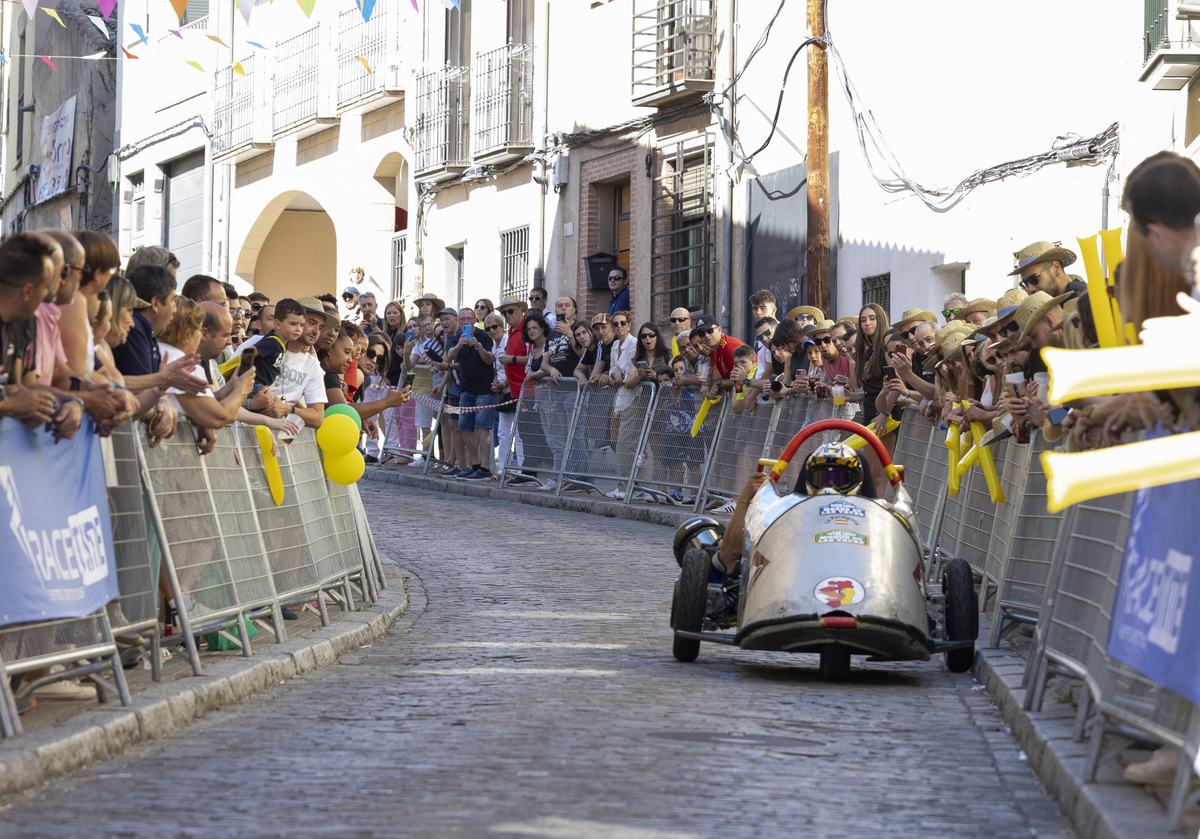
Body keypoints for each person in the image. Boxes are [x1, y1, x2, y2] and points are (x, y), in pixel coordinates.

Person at [712, 442, 866, 579]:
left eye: (839, 479)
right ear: (810, 480)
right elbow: (727, 558)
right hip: (793, 590)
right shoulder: (789, 511)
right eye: (822, 478)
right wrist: (745, 499)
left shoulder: (871, 520)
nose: (830, 486)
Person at [446, 306, 497, 481]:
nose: (466, 322)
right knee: (465, 427)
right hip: (465, 389)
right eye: (463, 319)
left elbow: (490, 359)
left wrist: (478, 346)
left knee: (482, 428)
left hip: (484, 389)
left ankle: (485, 467)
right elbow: (450, 357)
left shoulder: (483, 336)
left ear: (475, 320)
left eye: (469, 318)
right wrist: (460, 345)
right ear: (459, 322)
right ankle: (473, 465)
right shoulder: (456, 338)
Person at [853, 303, 893, 497]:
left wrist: (885, 413)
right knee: (870, 474)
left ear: (880, 319)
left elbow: (895, 382)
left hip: (886, 416)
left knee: (880, 475)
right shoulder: (866, 352)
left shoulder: (886, 348)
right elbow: (860, 385)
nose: (867, 323)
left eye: (871, 318)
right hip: (869, 414)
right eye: (863, 320)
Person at [1009, 241, 1087, 298]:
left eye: (1033, 279)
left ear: (1056, 268)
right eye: (1025, 283)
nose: (1030, 288)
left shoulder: (1081, 299)